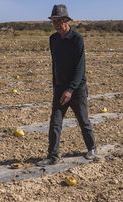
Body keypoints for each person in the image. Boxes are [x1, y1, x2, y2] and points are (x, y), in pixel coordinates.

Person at [39, 4, 97, 165]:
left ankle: (92, 148)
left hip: (76, 88)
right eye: (54, 21)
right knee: (55, 121)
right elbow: (55, 64)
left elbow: (80, 68)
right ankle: (53, 155)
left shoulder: (77, 39)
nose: (56, 24)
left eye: (59, 20)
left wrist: (70, 89)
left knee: (83, 120)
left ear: (66, 20)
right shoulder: (53, 39)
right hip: (60, 88)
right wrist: (56, 85)